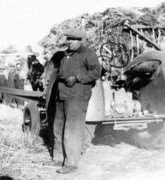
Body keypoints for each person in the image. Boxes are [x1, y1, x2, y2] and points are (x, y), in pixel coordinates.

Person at [44, 28, 101, 174]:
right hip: (61, 96)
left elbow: (96, 72)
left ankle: (71, 163)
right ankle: (58, 158)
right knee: (58, 128)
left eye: (73, 39)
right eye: (68, 38)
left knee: (73, 130)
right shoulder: (65, 54)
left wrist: (76, 77)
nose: (69, 41)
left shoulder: (88, 53)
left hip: (77, 97)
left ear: (80, 40)